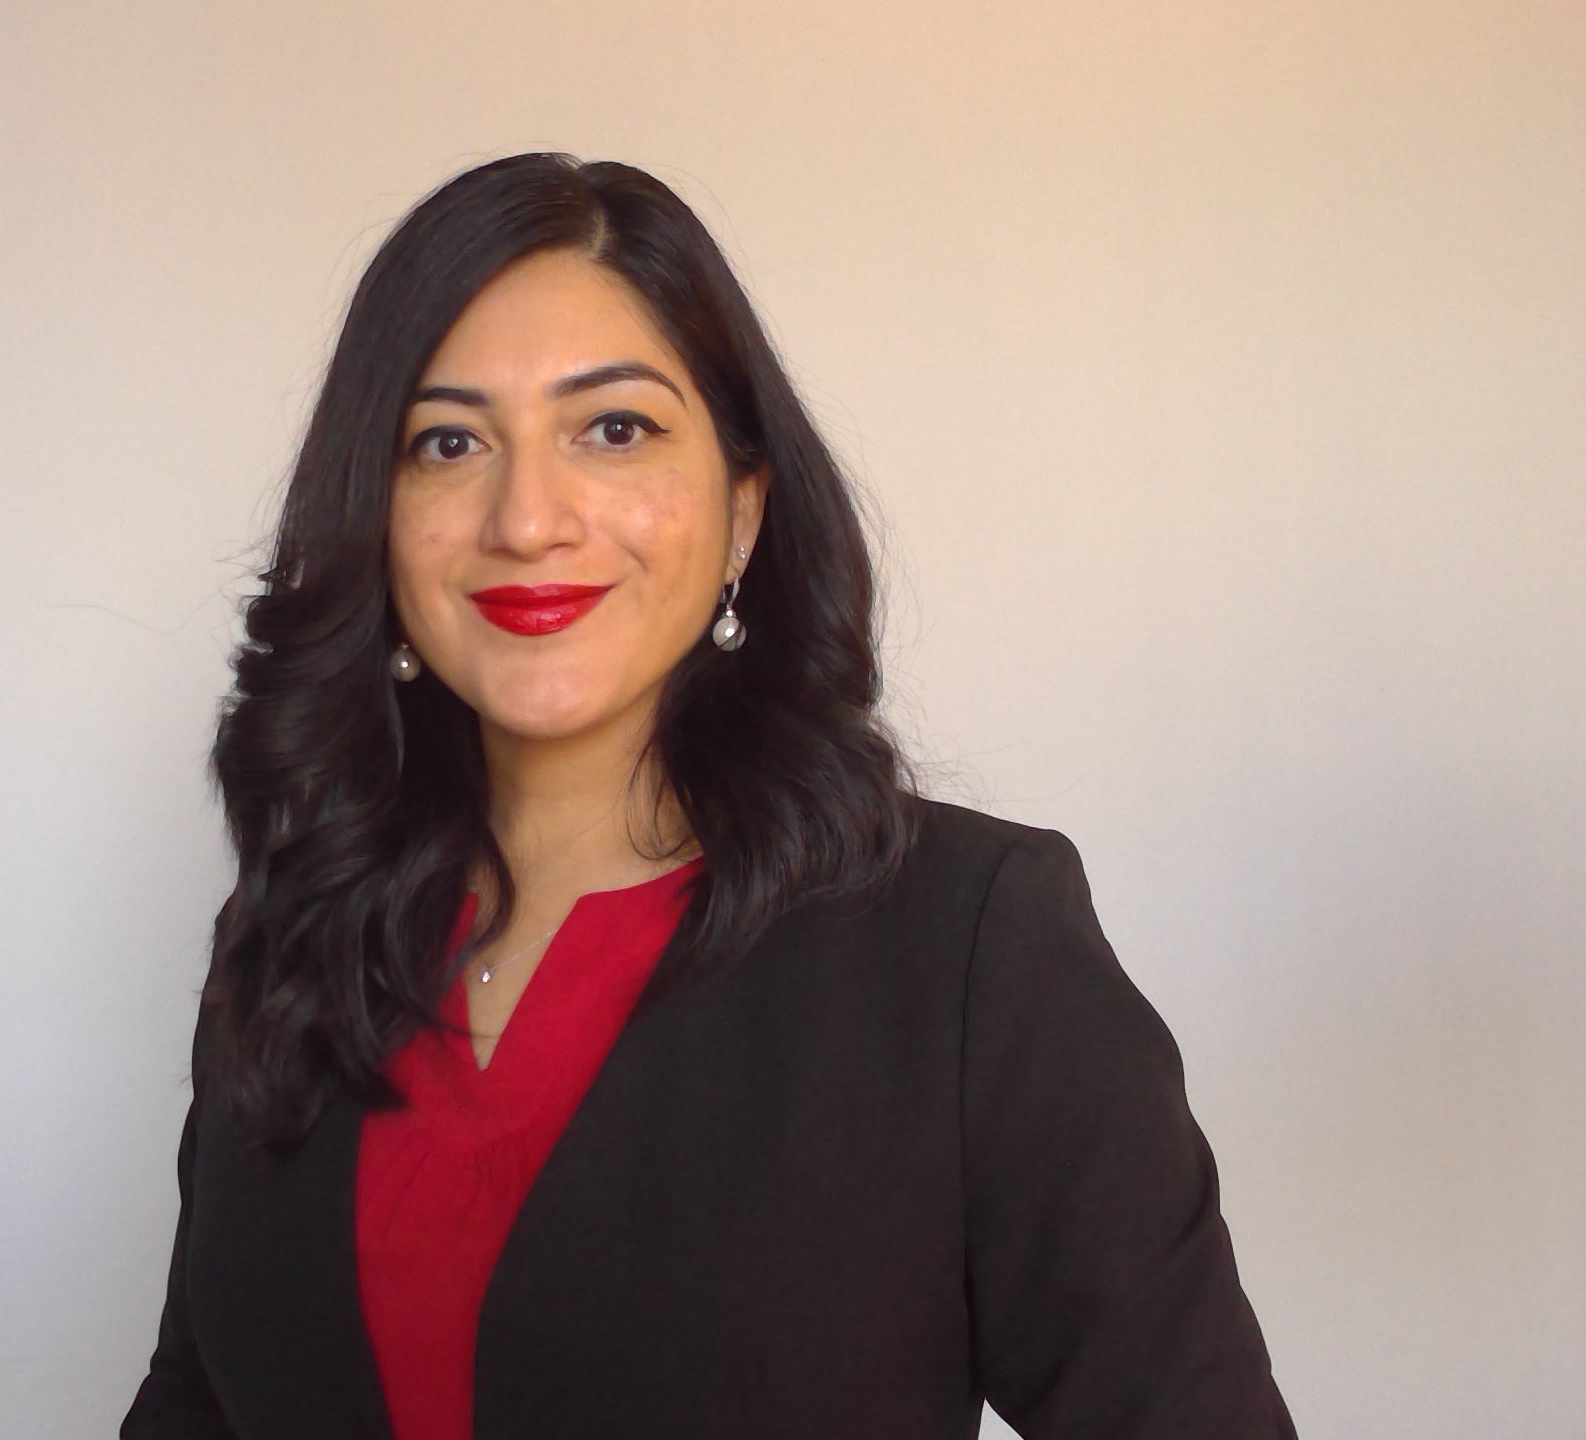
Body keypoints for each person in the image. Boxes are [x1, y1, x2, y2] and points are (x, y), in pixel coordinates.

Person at [120, 153, 1294, 1440]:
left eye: (612, 429)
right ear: (376, 519)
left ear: (742, 511)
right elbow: (195, 1403)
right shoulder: (291, 930)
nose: (528, 518)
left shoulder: (968, 949)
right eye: (447, 442)